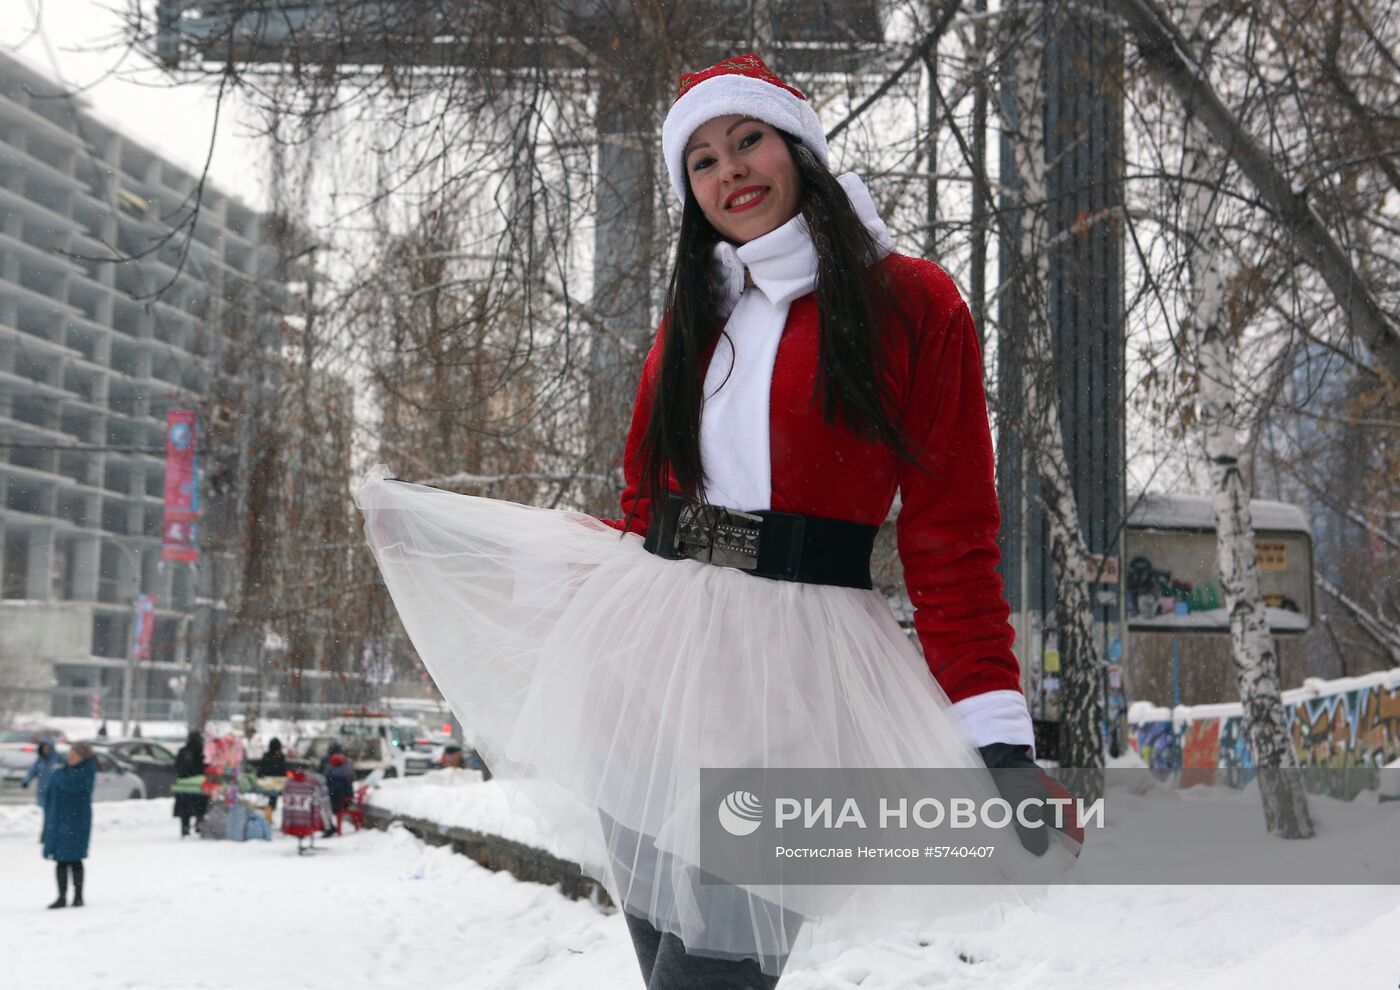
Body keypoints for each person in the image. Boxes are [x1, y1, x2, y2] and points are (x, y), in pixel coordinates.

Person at [356, 53, 1073, 987]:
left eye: (747, 141)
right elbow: (643, 511)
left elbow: (953, 534)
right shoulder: (697, 306)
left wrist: (999, 741)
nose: (728, 171)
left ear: (799, 150)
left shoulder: (912, 302)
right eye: (700, 160)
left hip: (793, 699)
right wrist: (460, 549)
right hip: (642, 684)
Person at [43, 740, 95, 908]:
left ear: (83, 756)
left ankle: (78, 896)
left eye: (74, 754)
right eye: (70, 753)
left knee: (75, 859)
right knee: (60, 860)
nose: (70, 757)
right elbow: (49, 795)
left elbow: (76, 788)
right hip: (59, 820)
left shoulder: (84, 773)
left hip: (77, 821)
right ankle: (61, 896)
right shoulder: (61, 772)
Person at [22, 738, 65, 843]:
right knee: (48, 815)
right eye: (44, 748)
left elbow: (68, 771)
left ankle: (53, 835)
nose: (46, 750)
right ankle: (47, 835)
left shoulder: (58, 759)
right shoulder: (40, 760)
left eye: (47, 748)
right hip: (44, 793)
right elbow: (32, 771)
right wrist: (26, 781)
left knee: (55, 815)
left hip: (57, 793)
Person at [172, 730, 209, 838]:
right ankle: (199, 825)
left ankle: (185, 828)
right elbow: (206, 767)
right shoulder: (203, 752)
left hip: (183, 785)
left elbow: (177, 767)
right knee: (201, 808)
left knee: (185, 810)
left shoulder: (183, 751)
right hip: (200, 785)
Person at [322, 751, 355, 837]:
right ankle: (328, 827)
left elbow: (330, 789)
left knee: (321, 807)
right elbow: (349, 789)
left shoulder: (330, 773)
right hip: (344, 801)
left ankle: (328, 827)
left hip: (336, 802)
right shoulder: (347, 771)